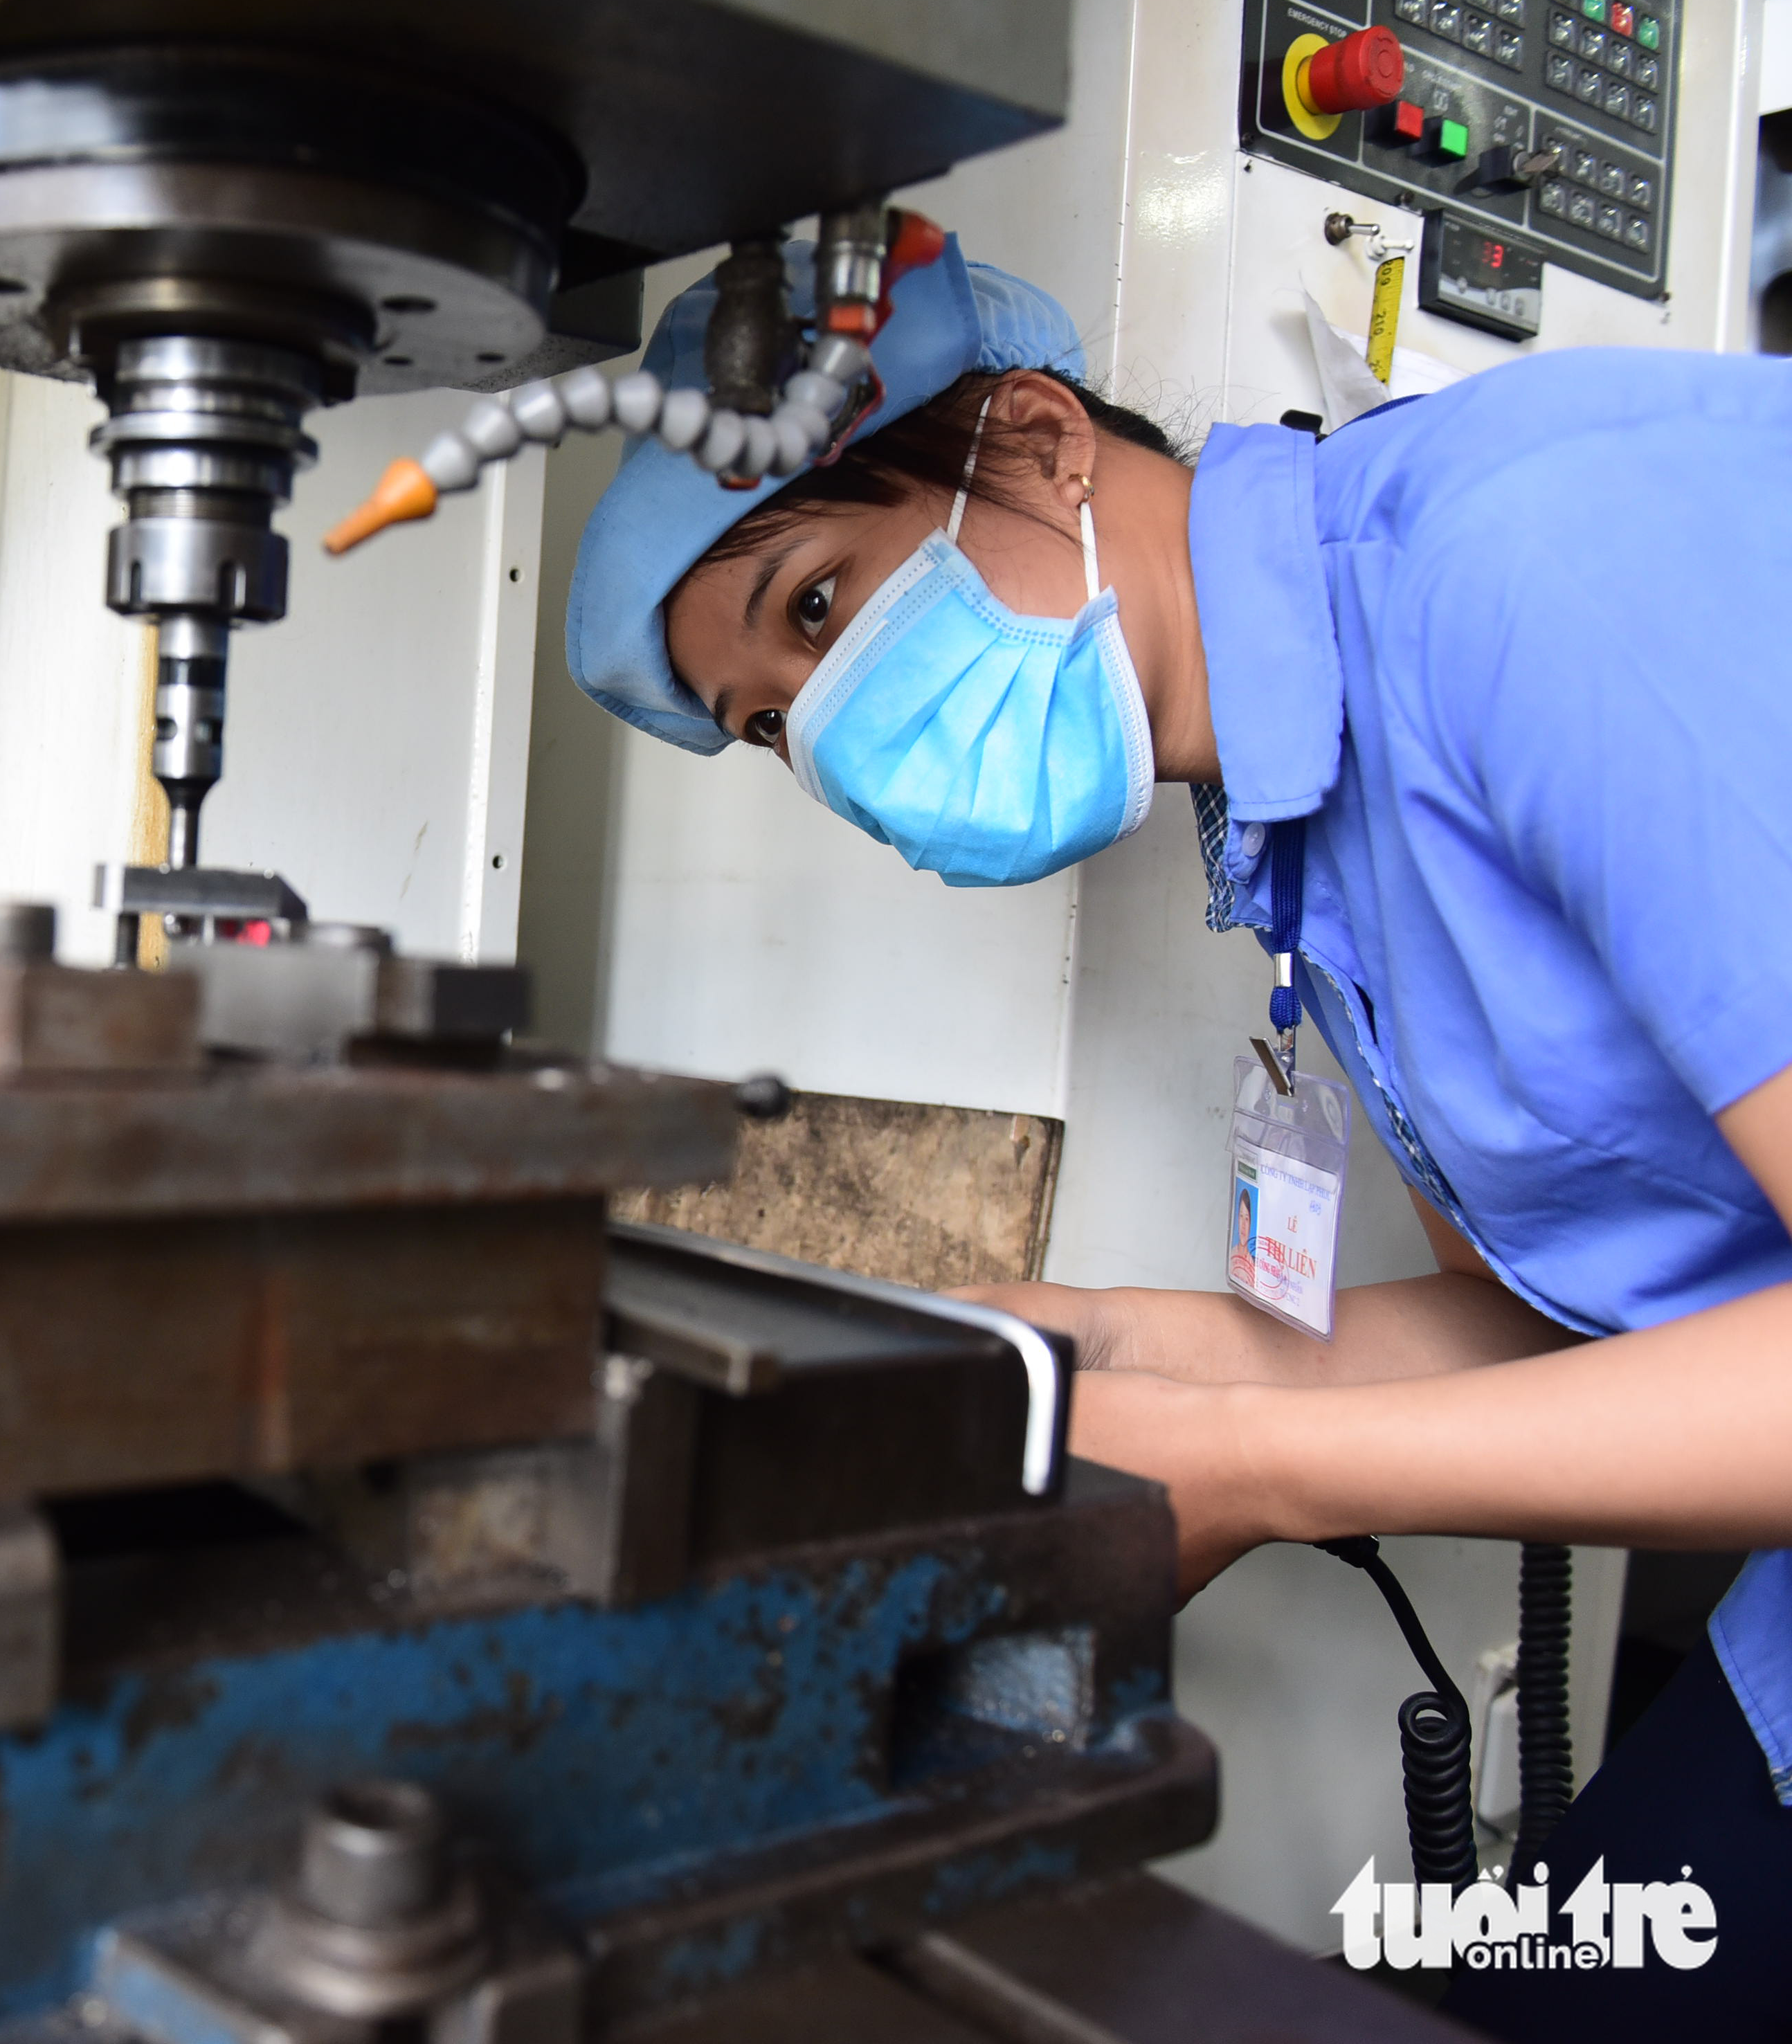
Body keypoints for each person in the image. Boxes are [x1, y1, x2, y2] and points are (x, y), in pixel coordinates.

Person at [565, 240, 1792, 2040]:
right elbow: (1595, 1320)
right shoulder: (1302, 825)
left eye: (816, 610)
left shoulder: (1534, 562)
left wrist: (1254, 1474)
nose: (826, 739)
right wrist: (1083, 1358)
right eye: (772, 728)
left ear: (1043, 439)